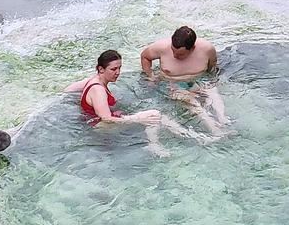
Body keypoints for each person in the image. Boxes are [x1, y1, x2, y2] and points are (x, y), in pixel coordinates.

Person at [68, 49, 198, 156]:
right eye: (113, 69)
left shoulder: (93, 80)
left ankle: (194, 137)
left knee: (158, 117)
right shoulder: (98, 89)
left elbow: (69, 89)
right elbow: (106, 118)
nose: (118, 73)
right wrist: (135, 120)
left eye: (119, 68)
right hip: (100, 127)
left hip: (98, 123)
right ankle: (153, 145)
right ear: (101, 69)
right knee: (153, 114)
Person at [140, 26, 227, 135]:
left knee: (213, 94)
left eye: (180, 54)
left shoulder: (207, 49)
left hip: (198, 80)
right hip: (172, 84)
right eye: (173, 51)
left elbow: (212, 68)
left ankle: (223, 120)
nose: (175, 56)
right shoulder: (161, 47)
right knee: (193, 103)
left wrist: (211, 82)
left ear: (192, 48)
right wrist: (150, 76)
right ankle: (214, 129)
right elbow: (145, 57)